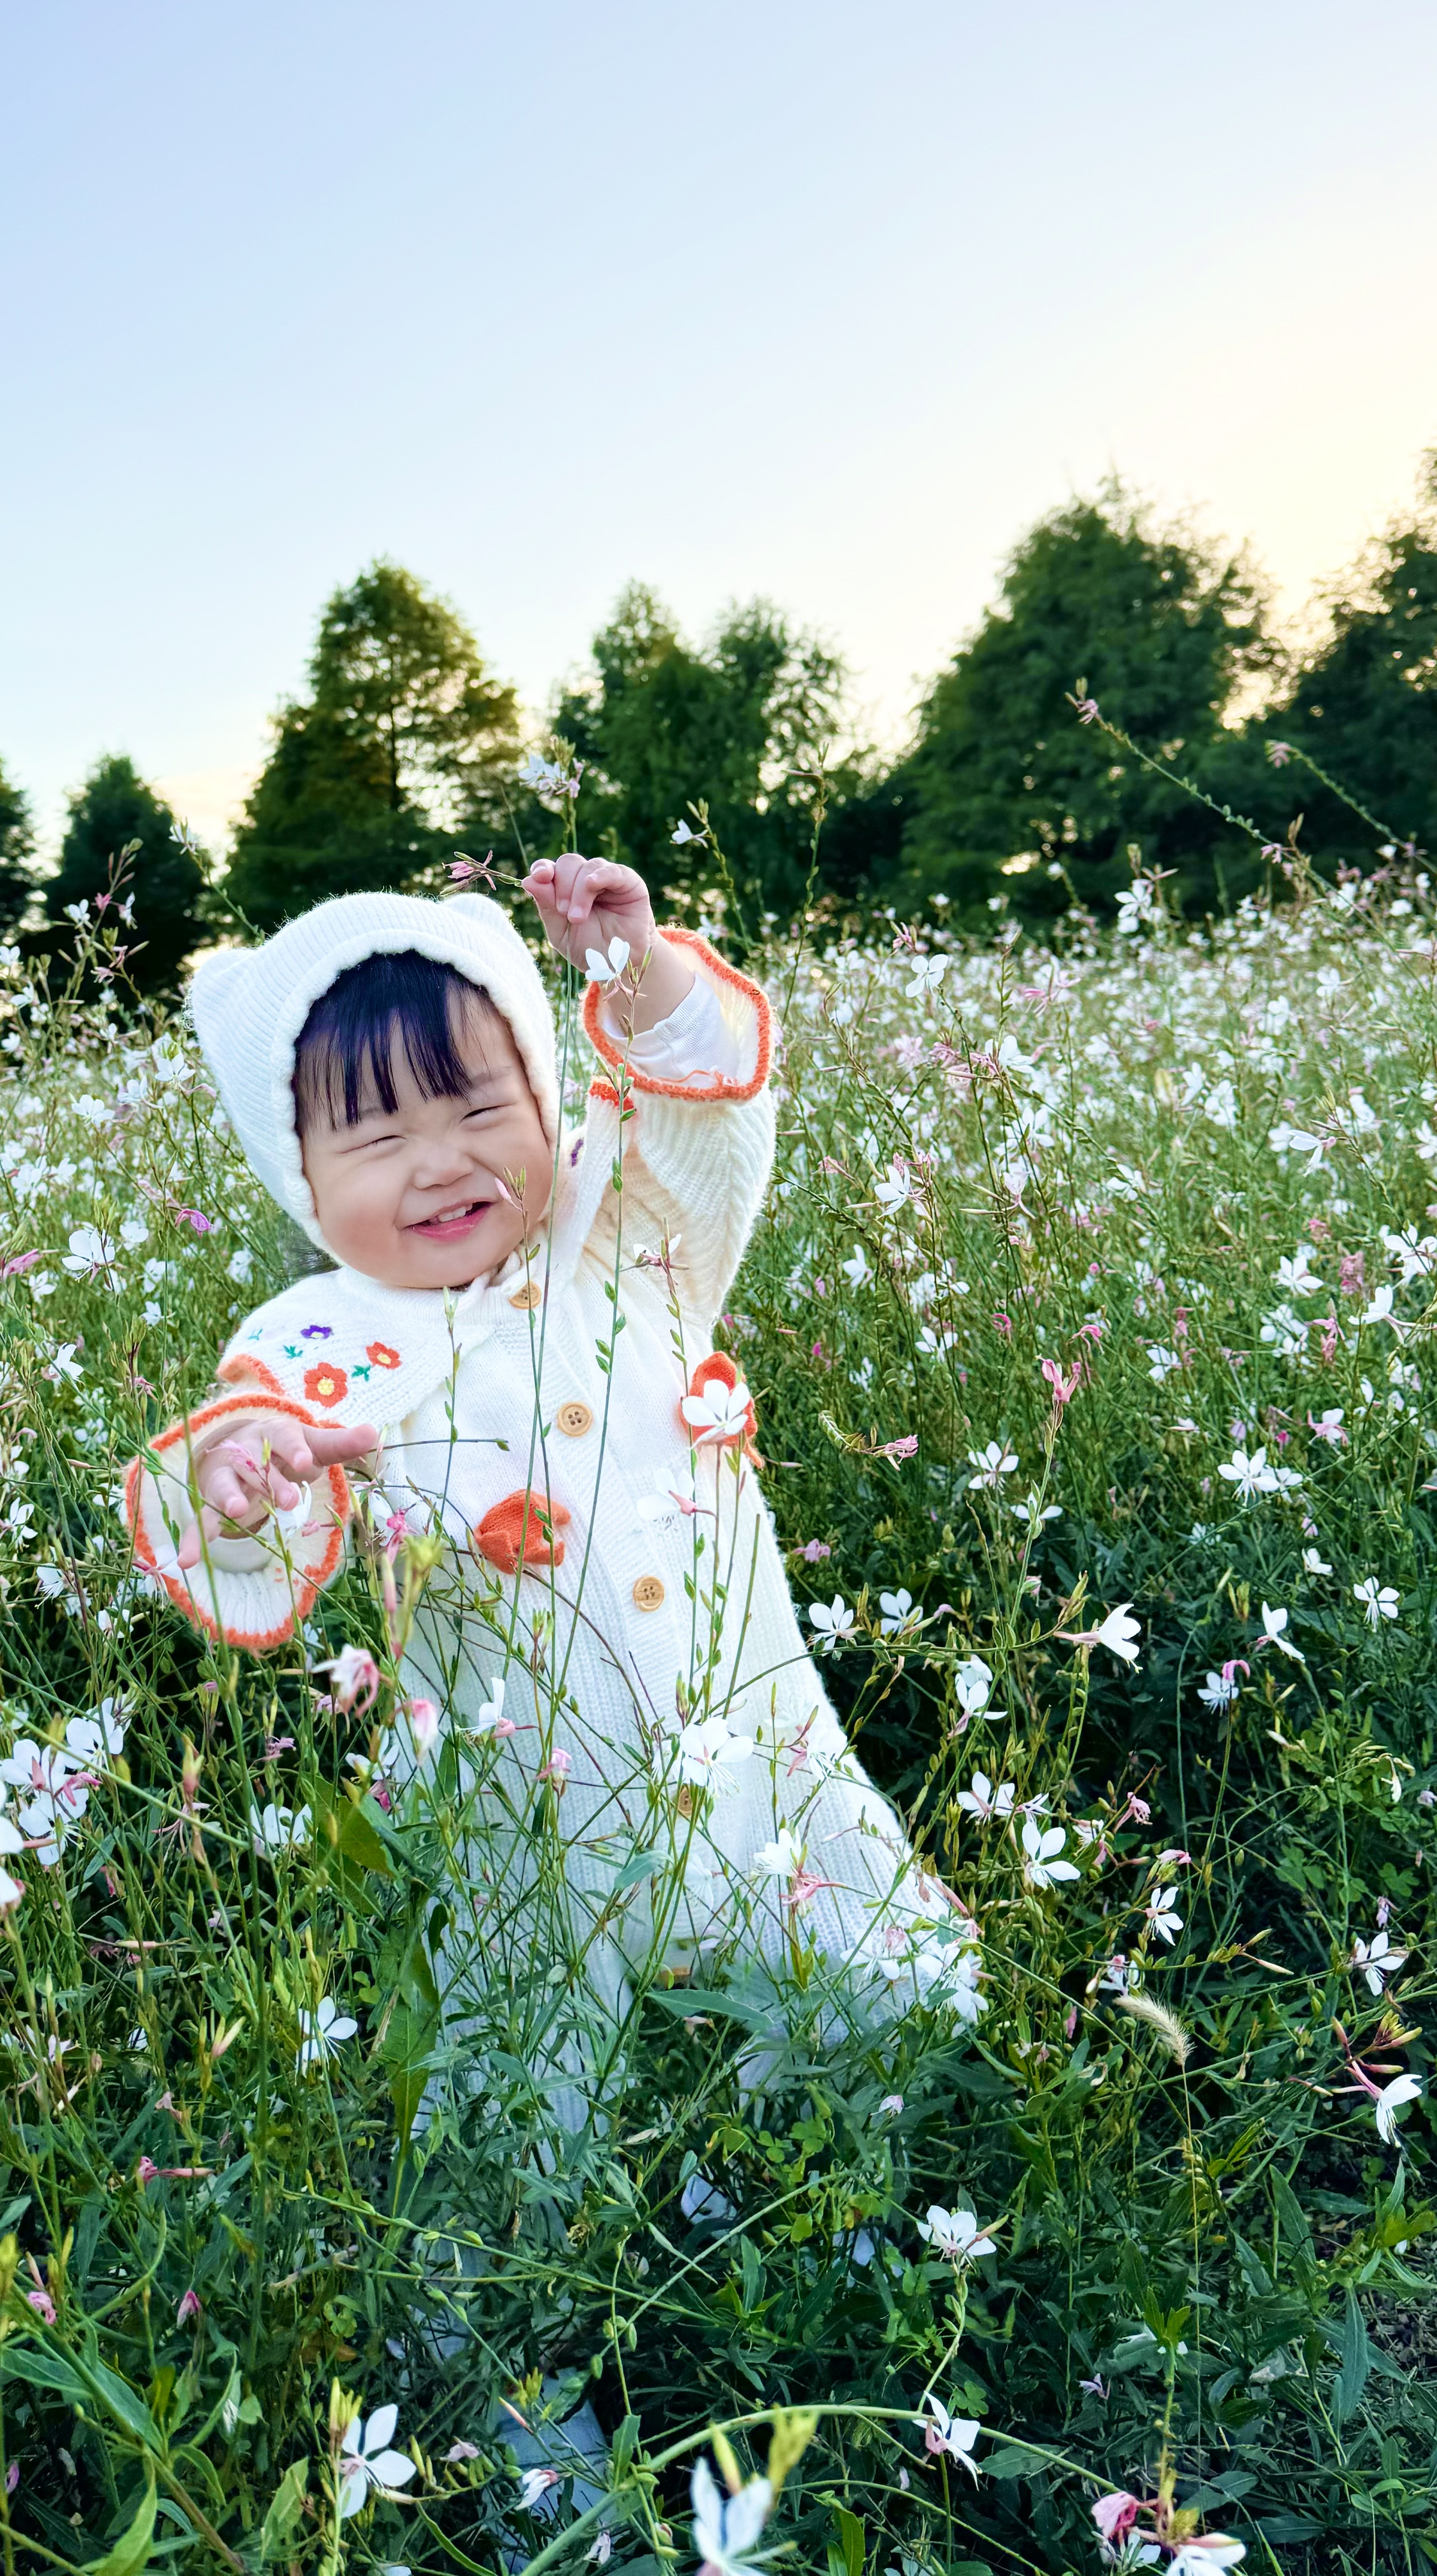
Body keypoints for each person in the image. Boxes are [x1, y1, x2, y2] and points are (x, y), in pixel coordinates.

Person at [123, 856, 977, 2123]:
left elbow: (713, 1127)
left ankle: (861, 2146)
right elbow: (255, 1494)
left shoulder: (623, 1229)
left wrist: (637, 972)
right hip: (528, 1802)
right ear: (296, 1173)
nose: (441, 1164)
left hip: (755, 1733)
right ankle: (555, 2216)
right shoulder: (319, 1346)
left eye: (480, 1107)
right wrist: (240, 1486)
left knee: (865, 1988)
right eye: (377, 1137)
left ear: (542, 1096)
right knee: (534, 2071)